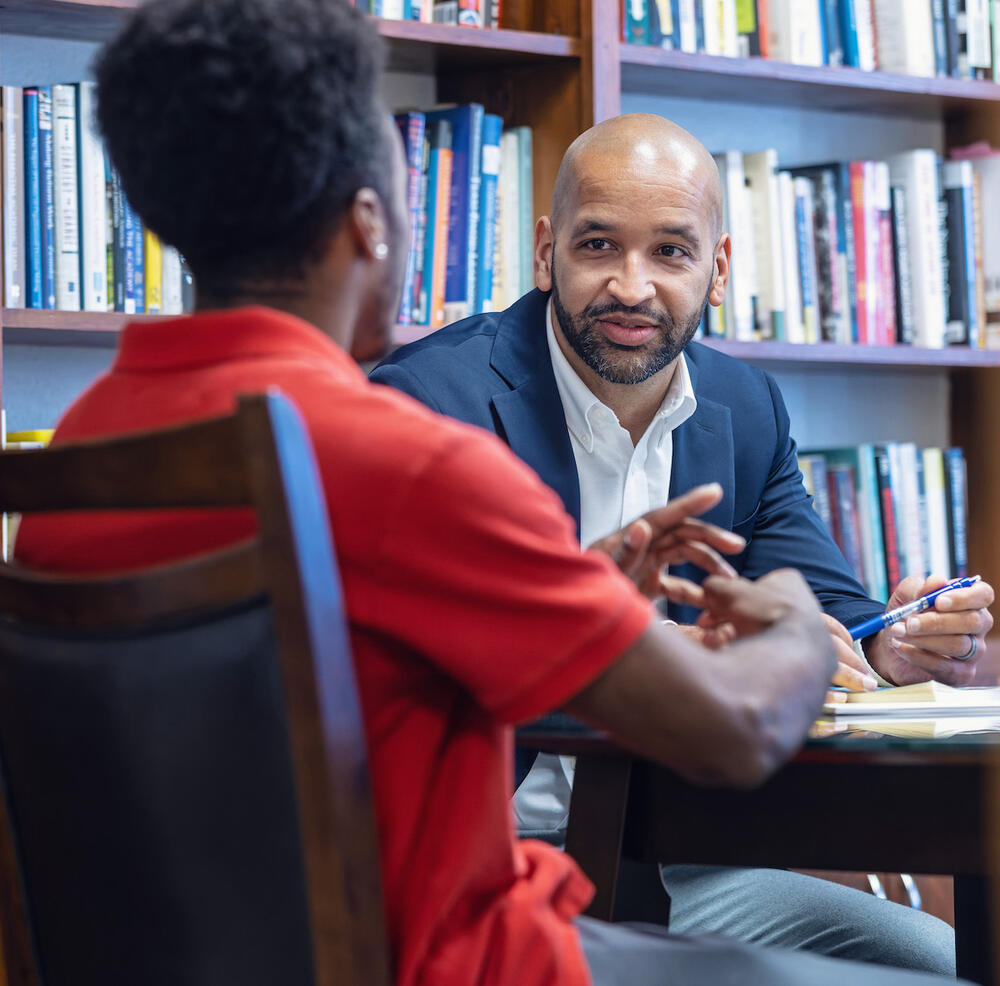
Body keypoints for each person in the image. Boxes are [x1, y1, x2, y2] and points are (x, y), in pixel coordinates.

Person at [12, 3, 973, 985]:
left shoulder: (87, 439)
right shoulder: (410, 454)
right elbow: (730, 730)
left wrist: (569, 589)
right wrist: (786, 624)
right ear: (368, 223)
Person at [372, 113, 995, 973]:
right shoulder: (428, 403)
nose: (633, 286)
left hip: (681, 859)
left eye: (670, 252)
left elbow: (823, 606)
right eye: (599, 246)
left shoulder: (747, 408)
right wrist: (664, 653)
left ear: (719, 268)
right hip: (490, 862)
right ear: (547, 251)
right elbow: (433, 662)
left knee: (942, 962)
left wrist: (893, 641)